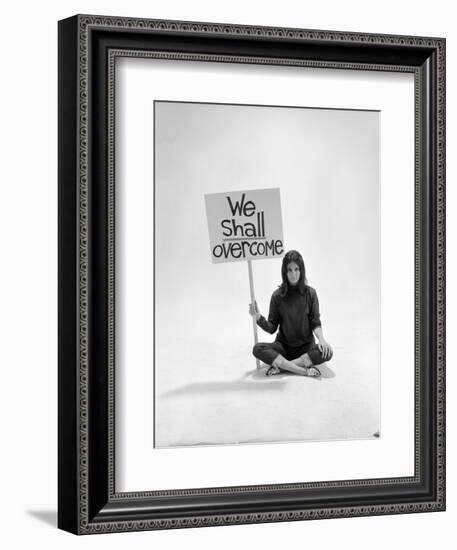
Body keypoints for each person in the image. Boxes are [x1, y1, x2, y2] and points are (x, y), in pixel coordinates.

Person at [249, 250, 333, 377]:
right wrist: (258, 317)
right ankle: (304, 370)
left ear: (301, 270)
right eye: (289, 270)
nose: (293, 274)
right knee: (257, 349)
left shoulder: (311, 294)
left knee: (328, 352)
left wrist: (321, 339)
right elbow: (272, 327)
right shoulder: (277, 296)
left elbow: (315, 321)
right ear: (285, 272)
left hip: (306, 348)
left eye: (296, 269)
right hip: (283, 348)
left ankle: (283, 367)